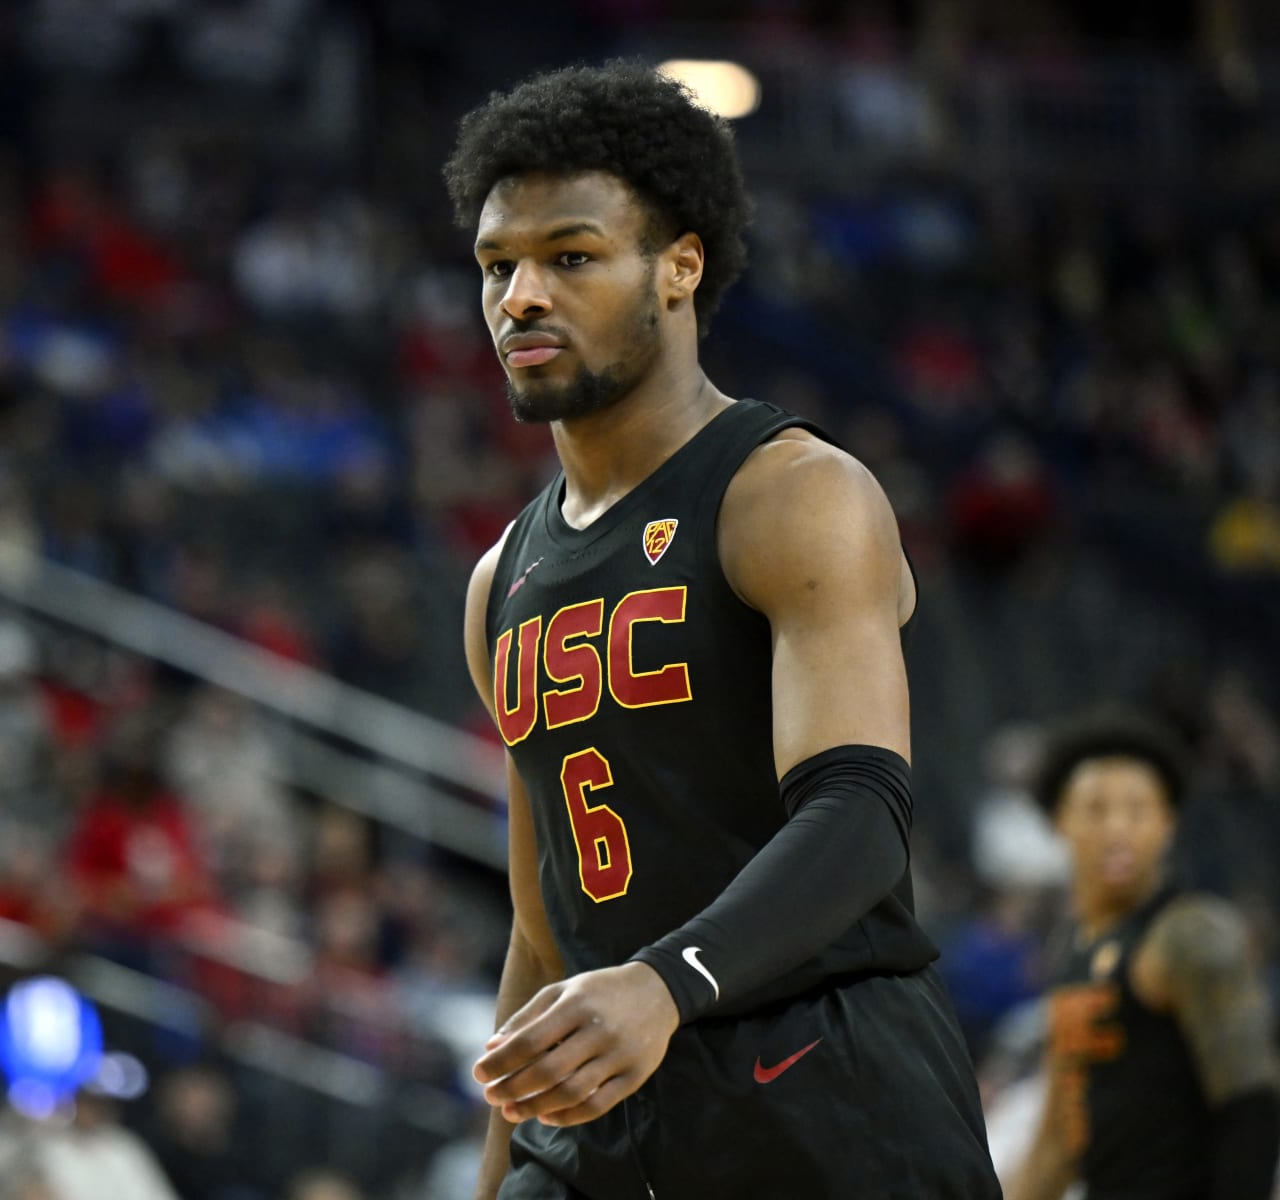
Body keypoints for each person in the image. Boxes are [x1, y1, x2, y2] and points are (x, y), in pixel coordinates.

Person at [448, 63, 999, 1197]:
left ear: (679, 269)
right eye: (498, 266)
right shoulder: (501, 577)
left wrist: (665, 982)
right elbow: (542, 924)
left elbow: (859, 818)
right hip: (608, 1117)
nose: (522, 297)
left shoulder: (789, 494)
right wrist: (497, 1169)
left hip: (821, 1080)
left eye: (572, 256)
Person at [1008, 714, 1279, 1200]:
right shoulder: (1071, 950)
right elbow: (1058, 1142)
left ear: (1168, 823)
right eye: (1096, 809)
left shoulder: (1190, 933)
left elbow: (1252, 1108)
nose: (1118, 829)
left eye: (1138, 810)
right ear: (1058, 822)